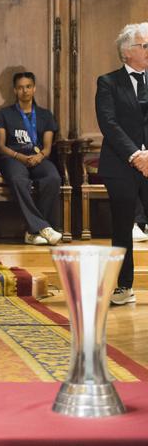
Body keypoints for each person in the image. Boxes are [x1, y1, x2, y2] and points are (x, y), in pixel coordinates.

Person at [95, 22, 148, 306]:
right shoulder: (108, 82)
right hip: (120, 165)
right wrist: (136, 156)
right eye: (145, 46)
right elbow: (109, 124)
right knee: (123, 226)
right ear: (128, 52)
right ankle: (124, 286)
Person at [0, 72, 62, 246]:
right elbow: (1, 146)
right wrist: (20, 156)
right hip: (13, 158)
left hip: (38, 158)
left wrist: (39, 156)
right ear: (15, 90)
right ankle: (44, 227)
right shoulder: (5, 114)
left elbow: (47, 146)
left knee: (53, 178)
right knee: (18, 180)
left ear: (34, 88)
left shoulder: (45, 115)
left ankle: (33, 232)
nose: (25, 91)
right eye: (20, 87)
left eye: (28, 86)